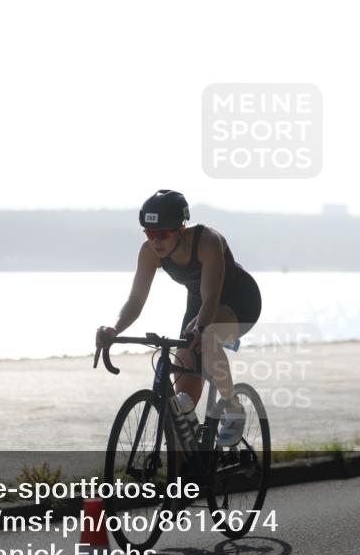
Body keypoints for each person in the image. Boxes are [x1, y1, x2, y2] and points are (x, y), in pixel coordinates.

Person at [96, 190, 262, 446]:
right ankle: (190, 466)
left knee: (208, 335)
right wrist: (114, 329)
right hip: (200, 305)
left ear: (181, 227)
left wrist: (200, 329)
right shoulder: (149, 252)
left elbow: (211, 299)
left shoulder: (208, 241)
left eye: (163, 233)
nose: (156, 241)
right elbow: (135, 301)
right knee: (181, 407)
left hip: (239, 301)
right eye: (149, 233)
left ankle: (233, 406)